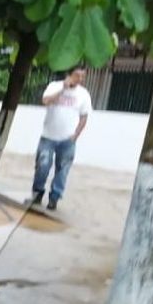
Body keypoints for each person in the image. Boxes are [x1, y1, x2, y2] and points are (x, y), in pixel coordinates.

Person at [31, 65, 92, 210]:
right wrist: (63, 89)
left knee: (62, 170)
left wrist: (76, 135)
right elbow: (45, 101)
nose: (80, 79)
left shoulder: (84, 94)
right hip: (48, 136)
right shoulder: (54, 86)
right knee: (42, 166)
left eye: (82, 76)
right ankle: (37, 193)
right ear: (68, 75)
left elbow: (84, 117)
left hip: (68, 140)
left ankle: (54, 198)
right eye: (77, 75)